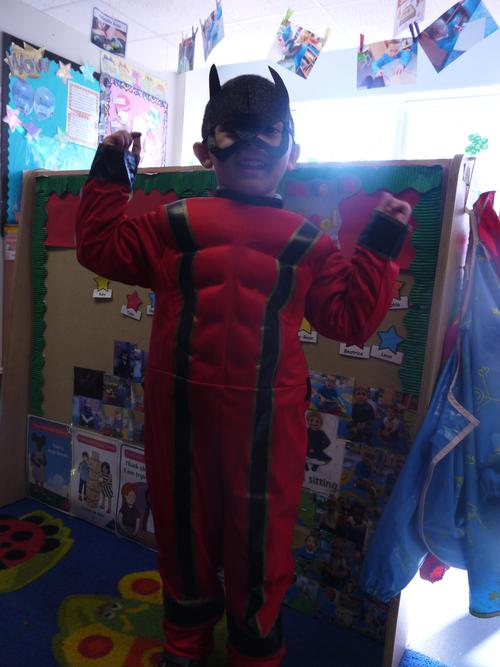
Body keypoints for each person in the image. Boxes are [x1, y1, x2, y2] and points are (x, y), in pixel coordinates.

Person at [76, 64, 412, 667]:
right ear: (206, 150)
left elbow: (349, 319)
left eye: (270, 133)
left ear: (293, 152)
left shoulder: (308, 241)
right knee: (182, 536)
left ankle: (253, 653)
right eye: (235, 132)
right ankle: (185, 644)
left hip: (267, 426)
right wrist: (110, 169)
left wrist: (381, 241)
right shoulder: (173, 224)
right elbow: (99, 248)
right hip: (179, 417)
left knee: (261, 547)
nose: (254, 146)